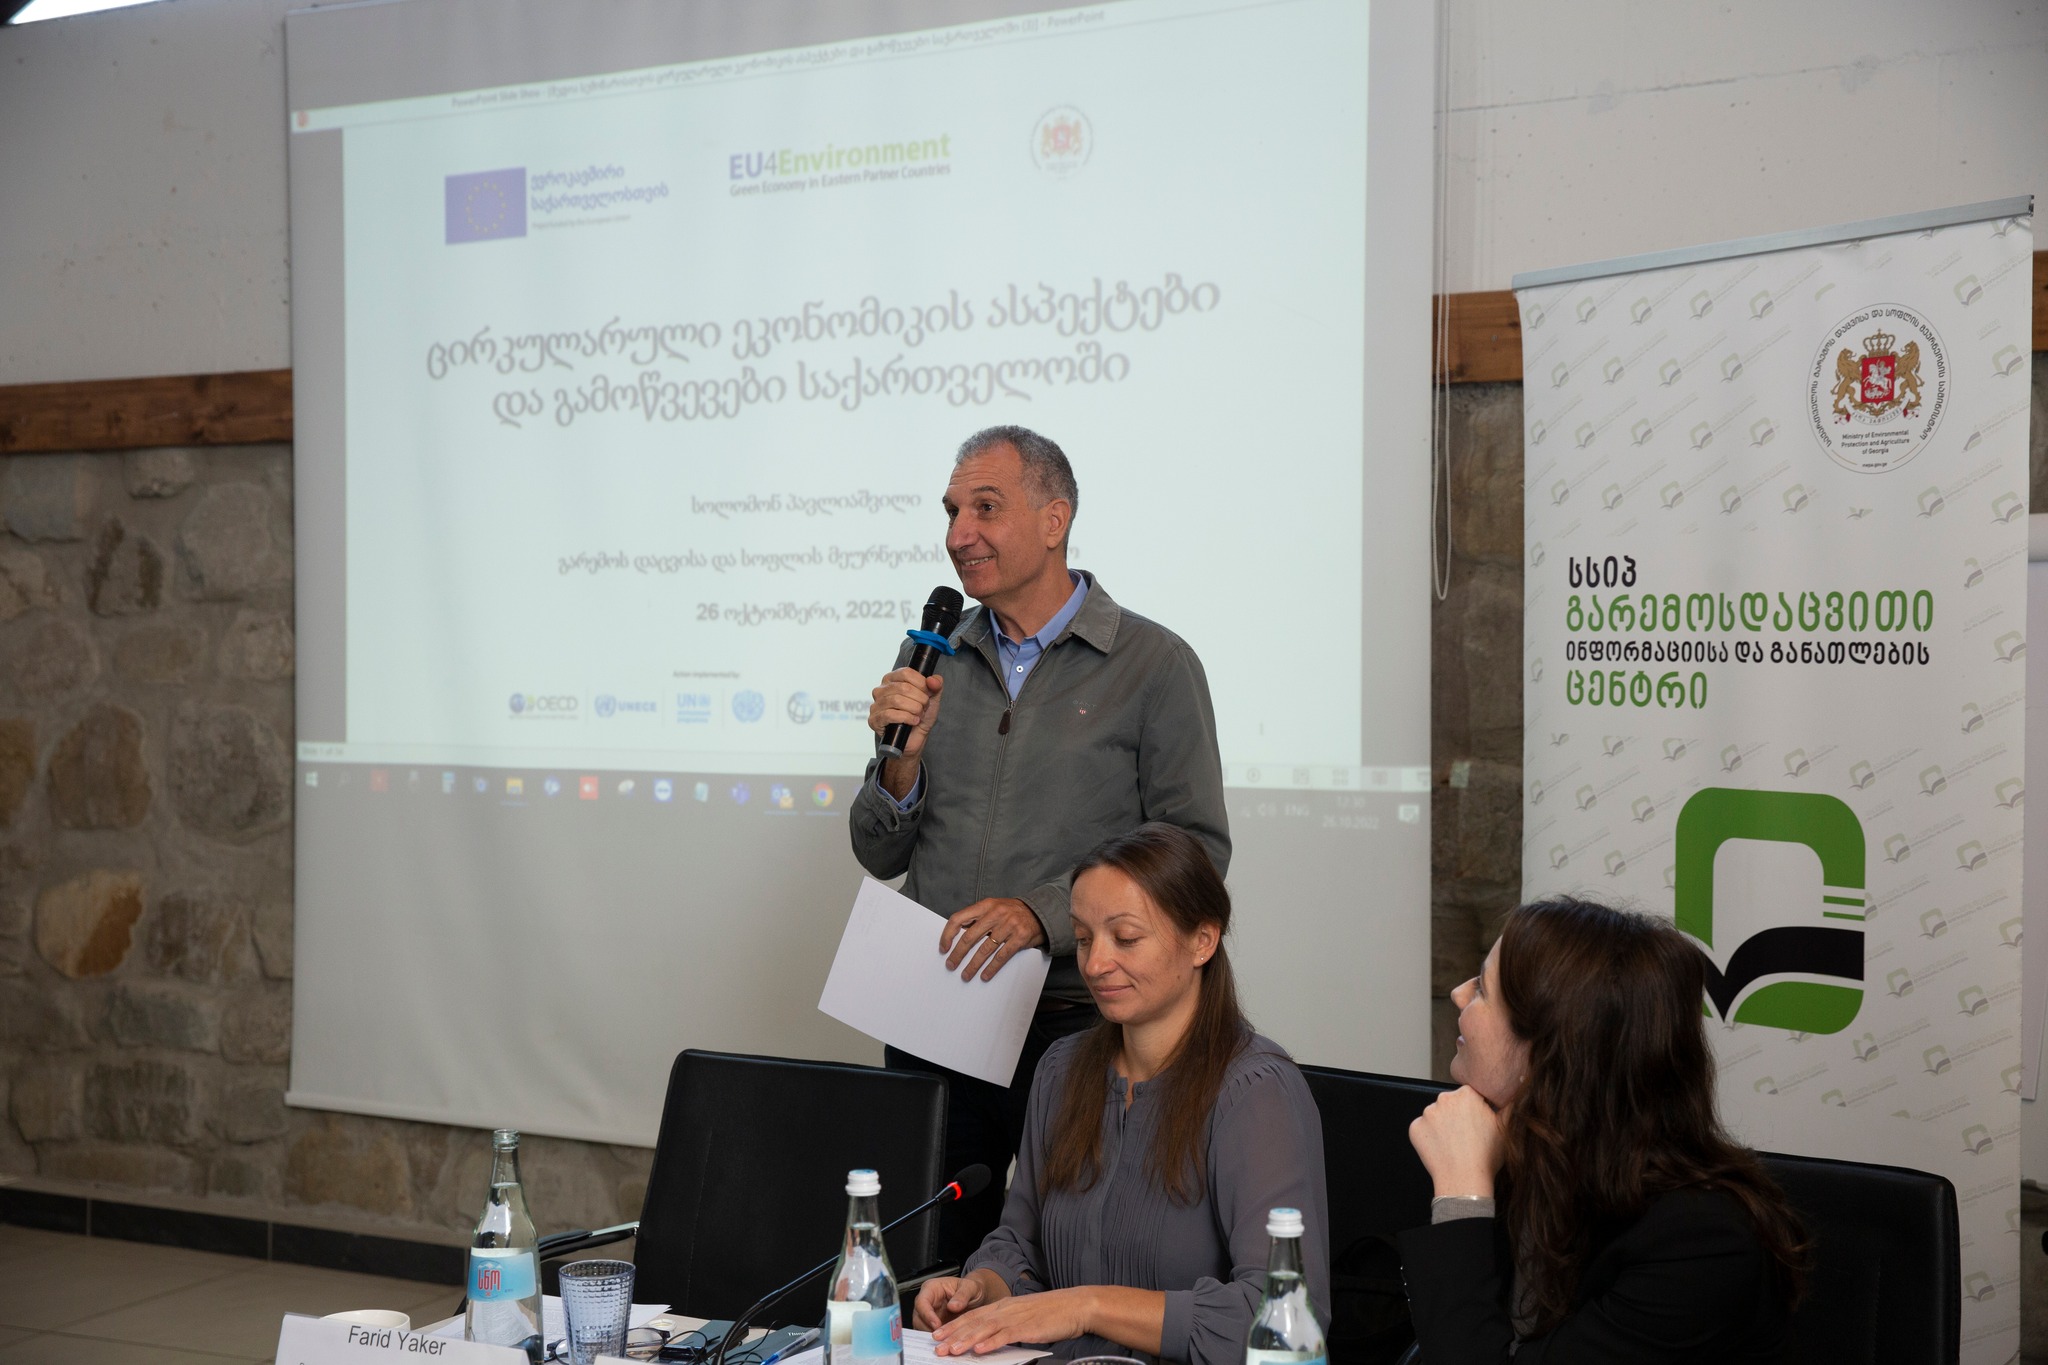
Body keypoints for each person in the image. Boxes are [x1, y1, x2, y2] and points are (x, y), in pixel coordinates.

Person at [851, 425, 1230, 1262]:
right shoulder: (934, 658)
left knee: (1076, 1256)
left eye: (985, 508)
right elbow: (878, 851)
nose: (959, 534)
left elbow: (1197, 853)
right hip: (933, 1013)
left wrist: (1045, 914)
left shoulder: (1152, 664)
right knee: (926, 1258)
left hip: (1079, 1022)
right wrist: (900, 766)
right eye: (952, 511)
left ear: (1054, 520)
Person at [911, 824, 1327, 1365]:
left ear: (1203, 941)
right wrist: (982, 1289)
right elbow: (1019, 1243)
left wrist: (1086, 1307)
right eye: (1083, 938)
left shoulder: (1257, 1093)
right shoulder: (1060, 1069)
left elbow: (1284, 1319)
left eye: (1126, 938)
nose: (1094, 964)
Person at [1398, 896, 1808, 1364]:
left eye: (1483, 991)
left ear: (1545, 1053)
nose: (1458, 994)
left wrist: (1461, 1197)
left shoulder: (1701, 1244)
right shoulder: (1525, 1151)